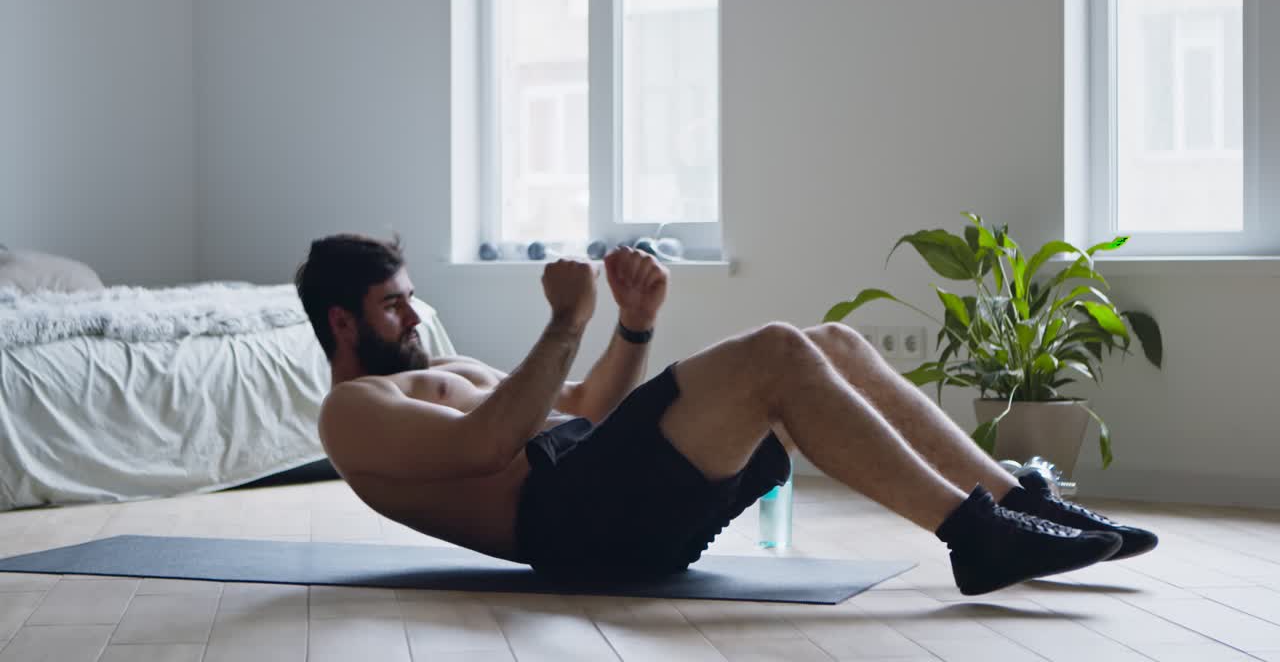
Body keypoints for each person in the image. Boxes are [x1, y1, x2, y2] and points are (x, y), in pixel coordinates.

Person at [295, 233, 1156, 596]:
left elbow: (593, 406)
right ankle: (975, 536)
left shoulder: (449, 364)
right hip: (570, 525)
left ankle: (1012, 499)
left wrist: (632, 324)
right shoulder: (354, 414)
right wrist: (567, 319)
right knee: (776, 350)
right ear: (342, 321)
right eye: (392, 305)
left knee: (832, 344)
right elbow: (487, 443)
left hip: (610, 491)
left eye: (411, 298)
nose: (413, 316)